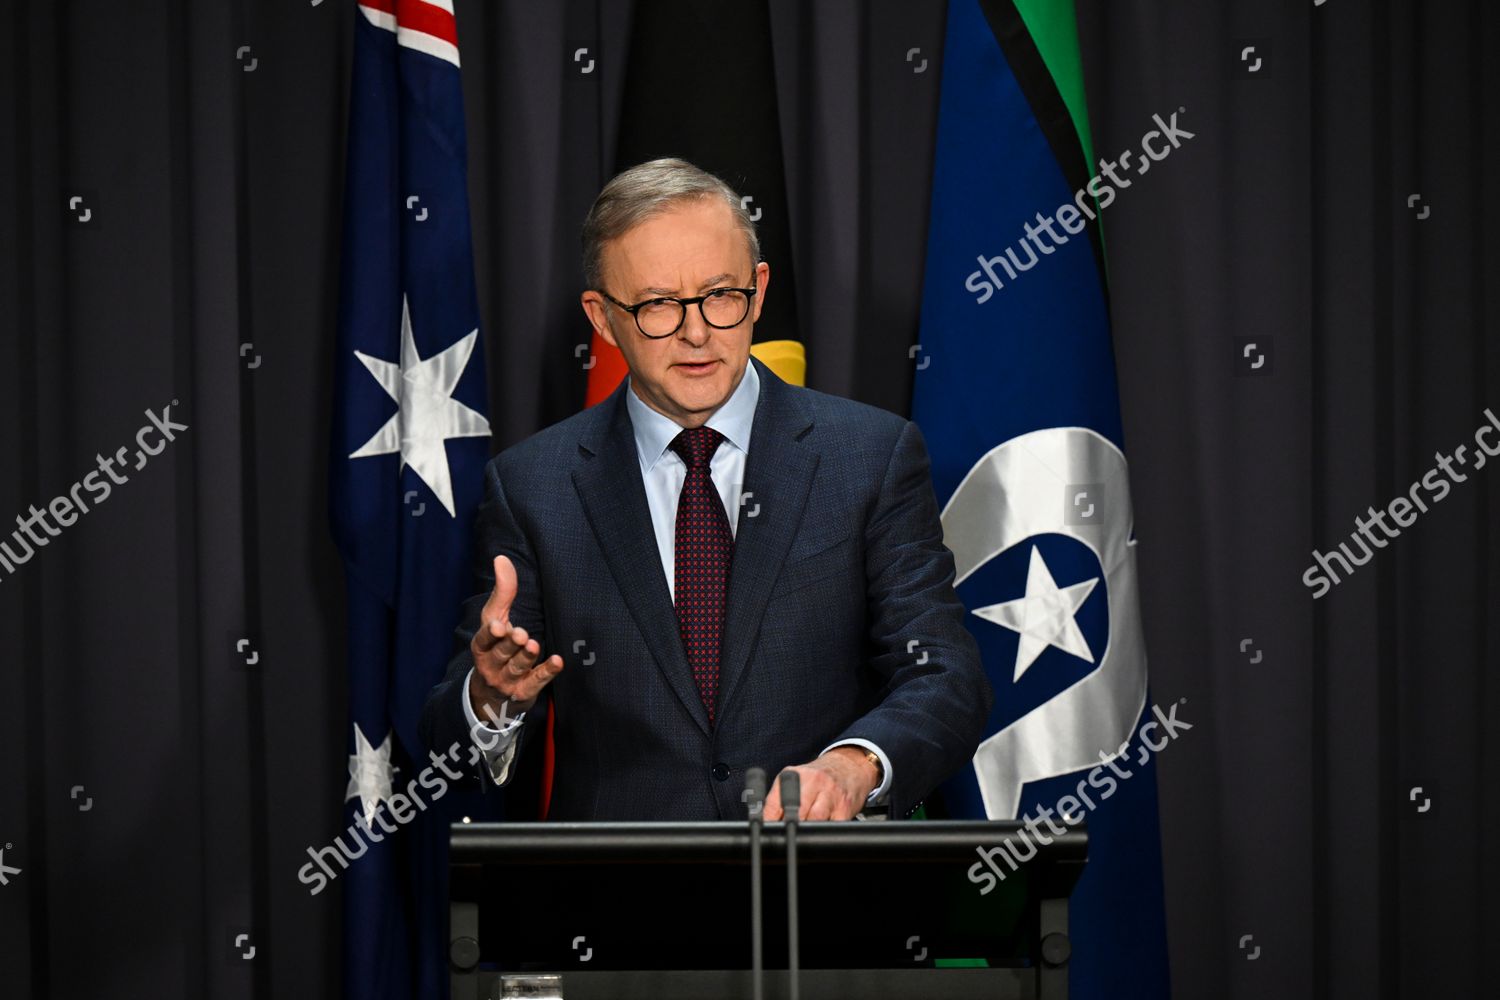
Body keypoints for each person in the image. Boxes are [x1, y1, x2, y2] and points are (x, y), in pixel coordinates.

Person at [419, 158, 991, 821]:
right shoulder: (534, 487)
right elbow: (448, 747)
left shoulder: (869, 458)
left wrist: (855, 764)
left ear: (760, 288)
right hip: (616, 908)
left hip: (823, 900)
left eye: (721, 295)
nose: (697, 332)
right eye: (659, 304)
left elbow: (946, 678)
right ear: (602, 319)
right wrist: (489, 701)